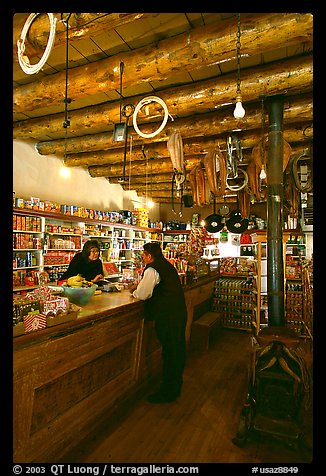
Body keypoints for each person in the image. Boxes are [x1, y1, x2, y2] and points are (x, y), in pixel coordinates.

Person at [129, 242, 187, 404]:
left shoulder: (153, 269)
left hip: (167, 316)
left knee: (170, 352)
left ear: (149, 255)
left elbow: (143, 294)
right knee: (176, 350)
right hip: (177, 313)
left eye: (144, 255)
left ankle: (168, 392)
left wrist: (133, 290)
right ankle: (175, 386)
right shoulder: (166, 265)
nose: (143, 258)